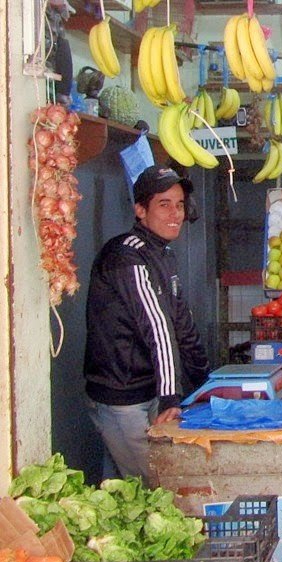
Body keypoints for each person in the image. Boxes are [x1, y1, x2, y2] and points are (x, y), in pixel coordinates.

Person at [83, 165, 210, 485]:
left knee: (126, 487)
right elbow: (157, 327)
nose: (175, 214)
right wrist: (170, 396)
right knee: (152, 487)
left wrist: (204, 383)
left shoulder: (163, 256)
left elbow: (182, 324)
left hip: (150, 391)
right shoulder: (127, 257)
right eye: (164, 204)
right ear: (140, 210)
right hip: (123, 397)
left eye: (179, 205)